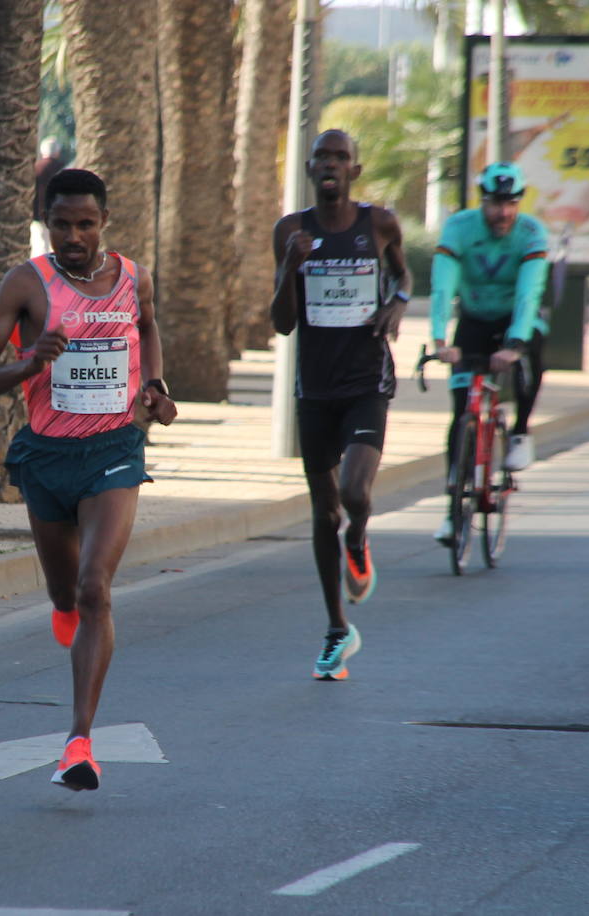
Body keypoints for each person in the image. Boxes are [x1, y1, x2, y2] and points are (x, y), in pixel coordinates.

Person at [0, 167, 177, 790]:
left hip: (114, 451)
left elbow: (147, 329)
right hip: (46, 457)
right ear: (46, 222)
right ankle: (64, 607)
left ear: (103, 222)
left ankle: (79, 742)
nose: (74, 235)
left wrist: (157, 390)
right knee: (66, 594)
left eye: (85, 223)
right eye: (61, 223)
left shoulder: (133, 277)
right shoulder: (26, 285)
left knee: (95, 590)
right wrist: (31, 360)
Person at [270, 129, 411, 681]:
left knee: (354, 494)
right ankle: (337, 629)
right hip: (315, 389)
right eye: (322, 157)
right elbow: (281, 323)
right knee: (323, 510)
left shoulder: (378, 223)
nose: (331, 165)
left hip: (366, 382)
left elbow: (402, 273)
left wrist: (397, 305)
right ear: (310, 169)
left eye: (340, 157)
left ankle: (359, 537)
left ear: (354, 169)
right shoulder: (291, 230)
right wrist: (288, 266)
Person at [428, 161, 550, 544]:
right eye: (496, 203)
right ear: (482, 200)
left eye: (511, 203)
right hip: (475, 321)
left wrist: (515, 345)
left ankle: (519, 432)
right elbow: (442, 288)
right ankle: (452, 512)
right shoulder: (460, 227)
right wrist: (440, 342)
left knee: (535, 348)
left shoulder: (531, 232)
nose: (503, 213)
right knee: (462, 407)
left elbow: (530, 293)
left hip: (516, 318)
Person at [30, 138, 67, 256]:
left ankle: (43, 272)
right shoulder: (63, 169)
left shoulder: (35, 169)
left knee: (41, 246)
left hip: (38, 214)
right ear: (57, 152)